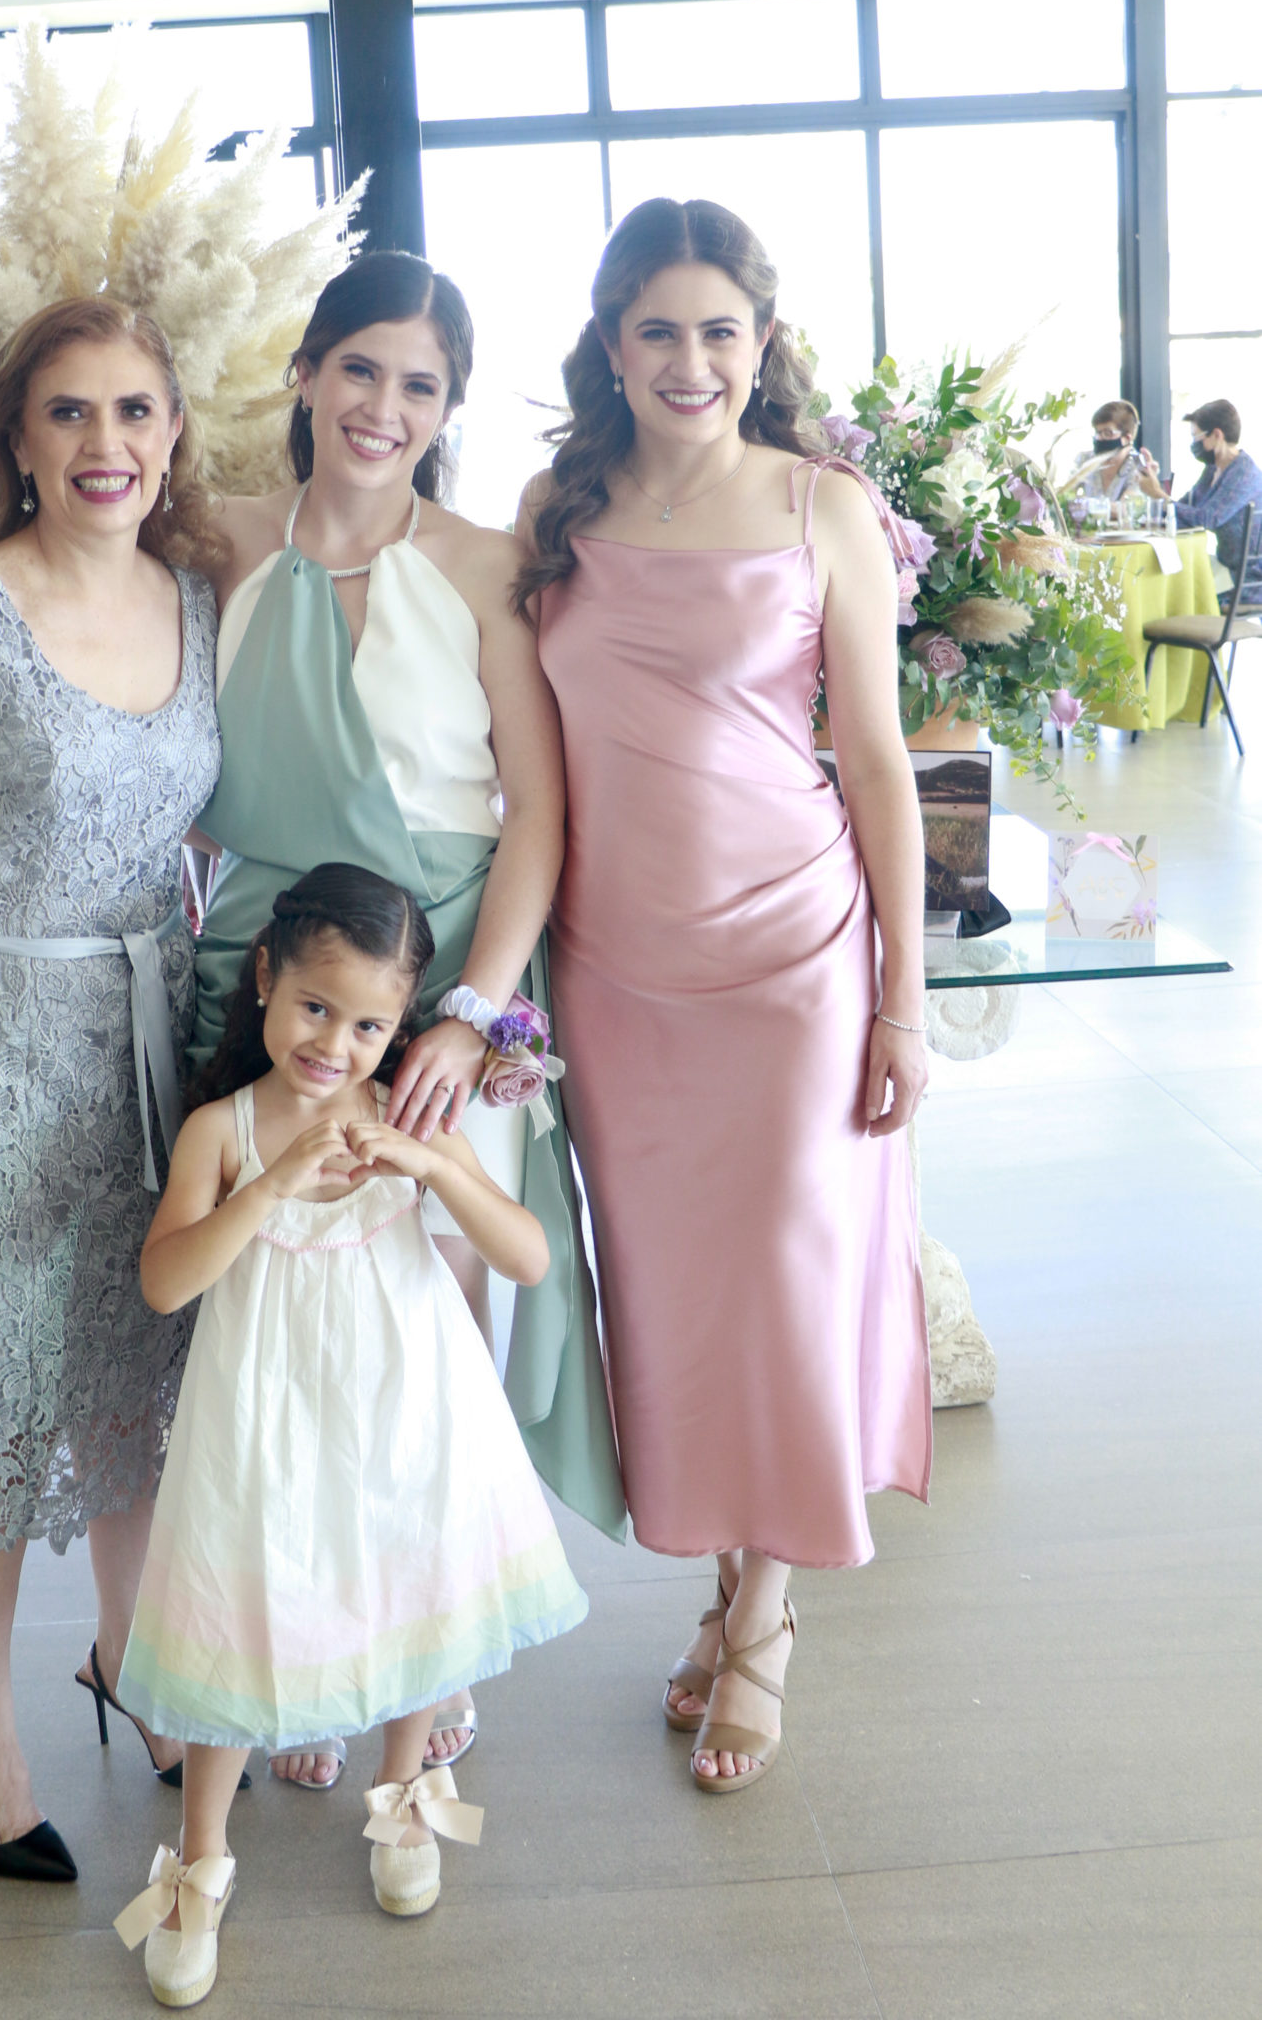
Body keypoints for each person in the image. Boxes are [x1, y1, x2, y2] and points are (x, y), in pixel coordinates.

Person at [516, 196, 933, 1796]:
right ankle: (717, 1582)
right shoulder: (555, 503)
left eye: (717, 331)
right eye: (655, 330)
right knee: (674, 1301)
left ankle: (761, 1615)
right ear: (608, 344)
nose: (687, 360)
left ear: (757, 343)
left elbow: (875, 760)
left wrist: (898, 995)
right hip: (615, 973)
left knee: (783, 1282)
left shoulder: (822, 503)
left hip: (794, 960)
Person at [195, 248, 623, 1788]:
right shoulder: (215, 542)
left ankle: (422, 1659)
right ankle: (304, 1644)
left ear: (445, 410)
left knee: (425, 1326)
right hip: (264, 979)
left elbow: (536, 818)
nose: (384, 407)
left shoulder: (480, 563)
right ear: (305, 372)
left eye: (420, 385)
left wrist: (470, 1015)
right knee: (282, 1335)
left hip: (443, 985)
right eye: (359, 368)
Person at [0, 296, 222, 1880]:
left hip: (144, 1045)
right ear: (15, 436)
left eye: (135, 412)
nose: (106, 445)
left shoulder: (195, 599)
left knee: (136, 1380)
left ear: (172, 433)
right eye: (69, 413)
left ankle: (135, 1658)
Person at [111, 864, 588, 2010]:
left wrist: (431, 1164)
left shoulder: (406, 1115)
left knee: (410, 1575)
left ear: (402, 1025)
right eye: (317, 1007)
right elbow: (166, 1283)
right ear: (267, 979)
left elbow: (525, 1256)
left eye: (370, 1022)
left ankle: (404, 1792)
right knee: (237, 1610)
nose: (336, 1043)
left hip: (405, 1404)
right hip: (262, 1421)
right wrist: (270, 1183)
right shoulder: (223, 1130)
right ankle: (202, 1859)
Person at [1172, 399, 1262, 597]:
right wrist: (1162, 503)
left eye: (1196, 437)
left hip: (1245, 579)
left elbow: (1207, 519)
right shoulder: (1213, 469)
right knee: (1172, 577)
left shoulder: (1243, 473)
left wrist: (1160, 499)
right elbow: (1186, 507)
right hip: (1224, 567)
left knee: (1178, 589)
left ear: (1217, 435)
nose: (1194, 444)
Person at [1061, 399, 1161, 505]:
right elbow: (1065, 497)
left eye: (1107, 433)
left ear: (1127, 438)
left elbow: (1126, 509)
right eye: (1097, 432)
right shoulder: (1085, 459)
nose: (1099, 438)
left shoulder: (1138, 466)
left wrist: (1083, 507)